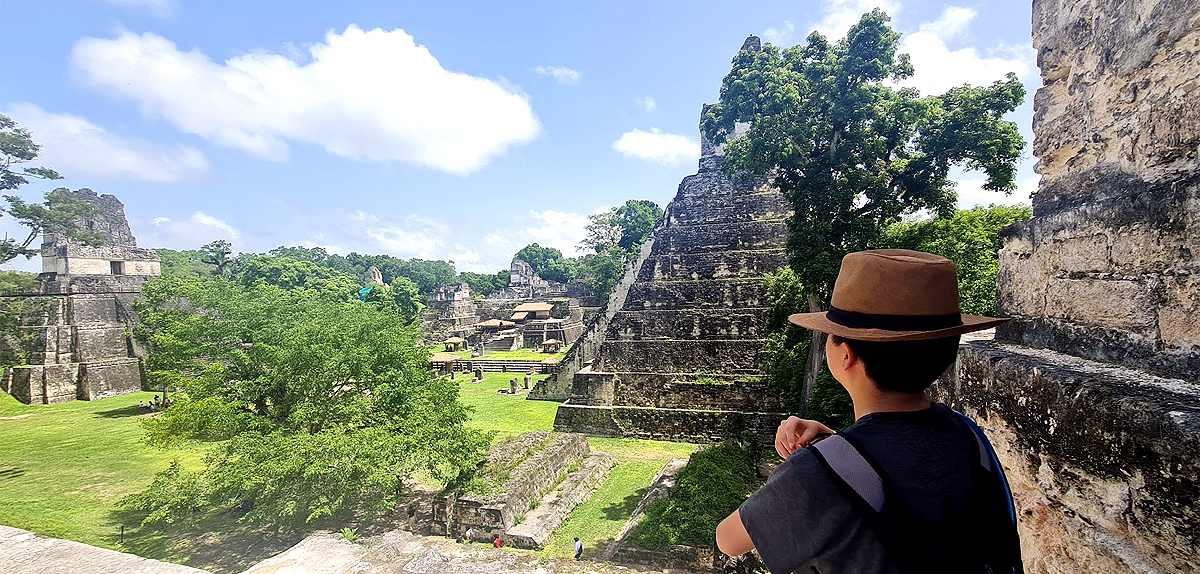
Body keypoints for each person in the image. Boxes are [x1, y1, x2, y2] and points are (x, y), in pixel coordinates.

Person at [715, 250, 1023, 574]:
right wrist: (835, 448)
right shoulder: (967, 433)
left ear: (845, 354)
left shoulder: (816, 476)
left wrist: (814, 464)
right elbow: (903, 470)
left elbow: (729, 538)